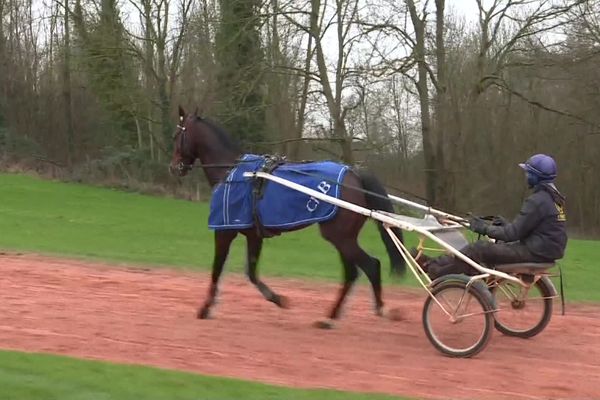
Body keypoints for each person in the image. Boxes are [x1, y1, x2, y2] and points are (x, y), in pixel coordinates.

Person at [414, 154, 567, 280]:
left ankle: (435, 271)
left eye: (528, 173)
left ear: (536, 177)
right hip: (542, 251)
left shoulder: (537, 200)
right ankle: (436, 264)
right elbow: (526, 230)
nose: (526, 176)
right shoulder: (552, 199)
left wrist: (484, 228)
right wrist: (505, 225)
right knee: (484, 248)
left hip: (534, 253)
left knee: (477, 248)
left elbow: (512, 234)